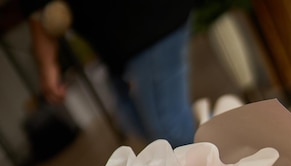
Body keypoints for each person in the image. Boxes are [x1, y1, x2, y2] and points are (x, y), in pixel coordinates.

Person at [21, 0, 197, 147]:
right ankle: (210, 145)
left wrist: (47, 64)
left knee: (168, 129)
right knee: (131, 119)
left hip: (148, 23)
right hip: (121, 40)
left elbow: (38, 12)